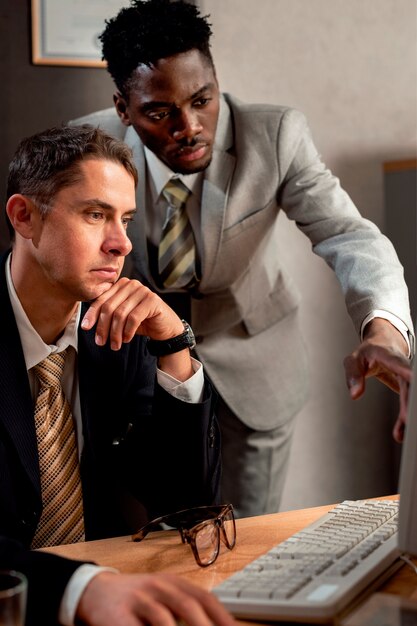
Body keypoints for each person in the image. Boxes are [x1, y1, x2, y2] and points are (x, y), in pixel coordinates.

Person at [70, 0, 414, 519]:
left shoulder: (275, 136)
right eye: (160, 113)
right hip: (139, 373)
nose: (189, 127)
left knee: (248, 533)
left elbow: (350, 236)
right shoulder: (89, 146)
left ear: (215, 80)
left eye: (202, 99)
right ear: (124, 108)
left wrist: (383, 329)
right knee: (155, 537)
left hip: (256, 362)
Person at [0, 124, 236, 626]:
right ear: (24, 216)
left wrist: (174, 345)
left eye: (126, 219)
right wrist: (82, 589)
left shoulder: (115, 331)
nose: (121, 244)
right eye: (95, 215)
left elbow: (187, 506)